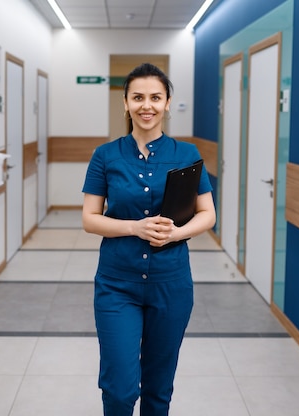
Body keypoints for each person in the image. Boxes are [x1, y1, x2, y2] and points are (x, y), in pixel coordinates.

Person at [81, 63, 216, 416]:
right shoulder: (106, 155)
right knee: (120, 389)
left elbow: (208, 214)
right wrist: (135, 228)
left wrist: (177, 233)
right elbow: (89, 219)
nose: (147, 105)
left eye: (156, 97)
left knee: (158, 389)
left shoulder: (186, 155)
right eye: (138, 97)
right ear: (125, 103)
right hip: (117, 284)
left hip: (170, 285)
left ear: (168, 103)